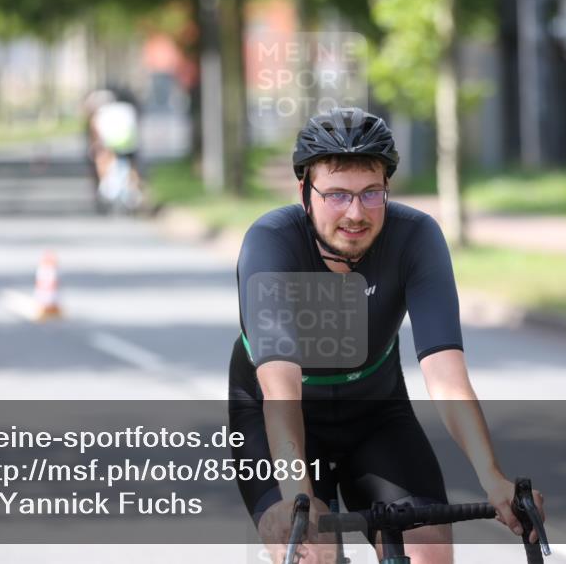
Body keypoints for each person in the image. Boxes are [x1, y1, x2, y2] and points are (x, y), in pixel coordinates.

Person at [229, 107, 544, 564]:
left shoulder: (416, 236)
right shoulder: (272, 244)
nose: (355, 213)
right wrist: (298, 498)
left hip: (375, 413)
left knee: (428, 551)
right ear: (304, 192)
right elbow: (282, 395)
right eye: (337, 195)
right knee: (311, 551)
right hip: (275, 417)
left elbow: (447, 377)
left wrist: (492, 478)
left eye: (370, 193)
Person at [82, 87, 142, 210]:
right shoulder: (128, 109)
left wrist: (95, 144)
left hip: (110, 144)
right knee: (131, 166)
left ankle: (105, 188)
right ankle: (134, 190)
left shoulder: (103, 111)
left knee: (102, 159)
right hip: (129, 144)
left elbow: (96, 129)